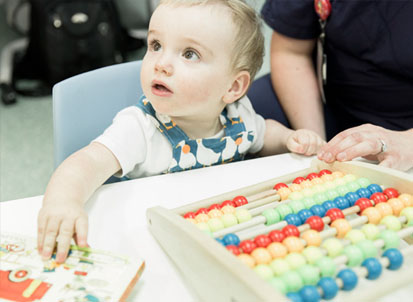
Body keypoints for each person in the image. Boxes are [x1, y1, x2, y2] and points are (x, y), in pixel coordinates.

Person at [37, 0, 325, 263]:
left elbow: (262, 135)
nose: (160, 64)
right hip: (152, 246)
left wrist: (288, 138)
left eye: (189, 54)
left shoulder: (239, 116)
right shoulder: (141, 128)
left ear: (233, 88)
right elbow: (84, 165)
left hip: (217, 240)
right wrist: (64, 202)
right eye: (156, 45)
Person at [248, 0, 413, 171]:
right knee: (240, 112)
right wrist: (315, 143)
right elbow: (291, 51)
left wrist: (407, 142)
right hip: (335, 106)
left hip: (407, 128)